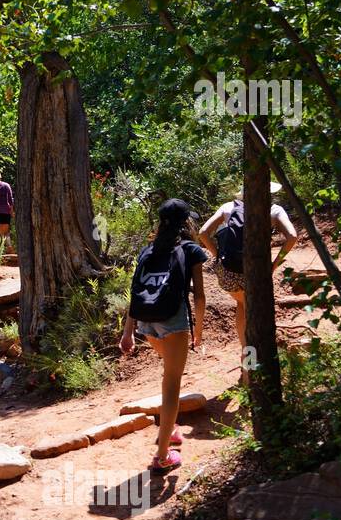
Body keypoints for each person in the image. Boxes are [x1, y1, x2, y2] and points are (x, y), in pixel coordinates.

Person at [119, 199, 208, 475]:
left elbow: (135, 290)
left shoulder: (148, 250)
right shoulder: (191, 250)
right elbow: (200, 296)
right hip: (173, 320)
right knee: (172, 382)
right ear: (186, 223)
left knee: (168, 373)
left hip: (147, 322)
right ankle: (162, 457)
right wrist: (200, 330)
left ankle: (170, 430)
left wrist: (127, 332)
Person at [198, 182, 298, 382]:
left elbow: (202, 233)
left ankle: (246, 358)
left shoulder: (228, 207)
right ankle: (249, 370)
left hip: (228, 275)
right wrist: (275, 265)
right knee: (251, 314)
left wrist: (217, 255)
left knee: (242, 304)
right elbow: (292, 237)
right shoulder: (274, 210)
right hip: (255, 275)